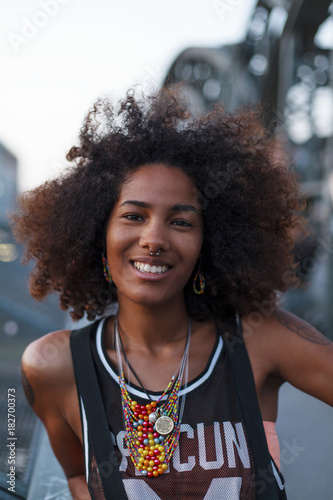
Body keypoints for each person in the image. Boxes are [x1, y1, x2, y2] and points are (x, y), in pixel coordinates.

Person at [11, 88, 333, 500]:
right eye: (133, 216)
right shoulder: (54, 366)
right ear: (97, 234)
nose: (154, 238)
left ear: (209, 242)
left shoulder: (257, 340)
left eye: (181, 222)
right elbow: (78, 478)